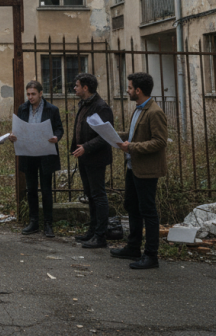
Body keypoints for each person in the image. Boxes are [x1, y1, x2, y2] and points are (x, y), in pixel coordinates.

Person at [110, 72, 168, 270]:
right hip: (132, 167)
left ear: (138, 90)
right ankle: (133, 247)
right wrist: (115, 136)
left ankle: (151, 255)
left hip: (147, 170)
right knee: (132, 207)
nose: (127, 91)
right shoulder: (138, 110)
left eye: (129, 88)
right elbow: (135, 135)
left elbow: (159, 142)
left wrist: (131, 147)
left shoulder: (154, 112)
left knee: (148, 211)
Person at [11, 81, 64, 238]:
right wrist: (13, 136)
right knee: (31, 189)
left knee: (46, 189)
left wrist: (56, 137)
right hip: (28, 152)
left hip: (45, 153)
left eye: (33, 94)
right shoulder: (23, 108)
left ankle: (48, 224)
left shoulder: (52, 109)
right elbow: (19, 128)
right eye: (28, 94)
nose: (30, 97)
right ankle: (33, 222)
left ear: (41, 93)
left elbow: (59, 128)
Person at [70, 73, 115, 249]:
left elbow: (106, 136)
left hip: (95, 157)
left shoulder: (101, 107)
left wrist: (86, 147)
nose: (75, 88)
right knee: (90, 195)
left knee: (98, 195)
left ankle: (100, 236)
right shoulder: (85, 104)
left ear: (85, 88)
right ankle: (92, 231)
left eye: (77, 85)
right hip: (84, 156)